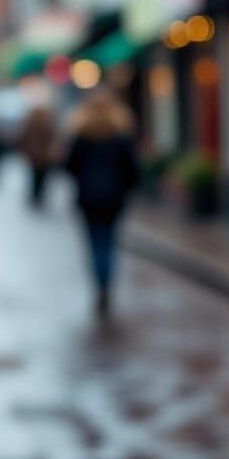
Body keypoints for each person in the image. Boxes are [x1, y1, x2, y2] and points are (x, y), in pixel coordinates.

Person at [63, 86, 140, 318]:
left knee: (94, 242)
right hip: (114, 197)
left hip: (88, 197)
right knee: (110, 241)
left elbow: (69, 166)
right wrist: (127, 188)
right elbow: (132, 169)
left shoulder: (81, 136)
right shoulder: (120, 136)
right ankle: (106, 284)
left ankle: (100, 285)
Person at [16, 105, 57, 208]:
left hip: (35, 156)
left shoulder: (30, 125)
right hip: (42, 157)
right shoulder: (46, 125)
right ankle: (38, 196)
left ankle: (35, 196)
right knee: (41, 178)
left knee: (35, 178)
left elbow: (22, 140)